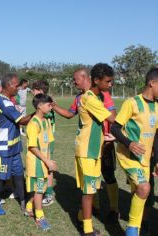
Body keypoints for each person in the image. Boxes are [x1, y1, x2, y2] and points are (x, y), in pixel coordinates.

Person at [53, 68, 120, 221]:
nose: (73, 82)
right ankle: (94, 207)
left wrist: (112, 137)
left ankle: (114, 209)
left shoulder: (103, 95)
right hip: (89, 144)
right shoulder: (79, 98)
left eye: (75, 79)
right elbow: (70, 114)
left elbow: (114, 117)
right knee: (92, 179)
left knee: (108, 175)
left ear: (83, 77)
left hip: (105, 143)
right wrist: (54, 106)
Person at [111, 67, 158, 236]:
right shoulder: (131, 103)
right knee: (144, 188)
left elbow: (156, 136)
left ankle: (139, 226)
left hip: (145, 160)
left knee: (141, 194)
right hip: (128, 156)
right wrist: (129, 143)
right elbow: (115, 128)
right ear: (152, 83)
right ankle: (131, 230)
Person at [74, 63, 116, 236]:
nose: (110, 84)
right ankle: (88, 230)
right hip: (87, 151)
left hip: (90, 149)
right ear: (96, 80)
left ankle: (80, 216)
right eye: (108, 81)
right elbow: (112, 118)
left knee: (90, 189)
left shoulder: (95, 97)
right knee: (89, 192)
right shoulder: (90, 99)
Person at [0, 73, 34, 215]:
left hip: (13, 145)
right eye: (16, 85)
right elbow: (22, 121)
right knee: (1, 176)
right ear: (8, 85)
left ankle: (23, 201)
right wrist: (38, 111)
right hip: (3, 146)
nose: (18, 88)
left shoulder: (8, 100)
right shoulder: (3, 101)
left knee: (19, 174)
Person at [25, 93, 58, 231]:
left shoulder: (45, 121)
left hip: (44, 162)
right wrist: (46, 161)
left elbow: (48, 142)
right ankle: (39, 217)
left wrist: (50, 160)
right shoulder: (33, 124)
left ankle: (28, 207)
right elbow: (32, 147)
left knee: (41, 188)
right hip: (37, 162)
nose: (51, 107)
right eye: (49, 105)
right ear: (39, 106)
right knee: (39, 190)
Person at [31, 80, 56, 207]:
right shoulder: (39, 116)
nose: (32, 92)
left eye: (34, 90)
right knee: (46, 166)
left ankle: (48, 194)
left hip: (46, 141)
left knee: (48, 166)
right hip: (44, 140)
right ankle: (40, 196)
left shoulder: (46, 111)